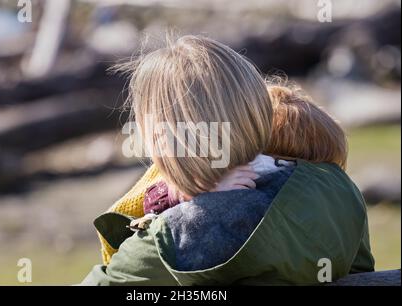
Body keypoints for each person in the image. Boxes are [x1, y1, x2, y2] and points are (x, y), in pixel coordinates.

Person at [81, 35, 374, 285]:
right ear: (256, 109)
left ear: (161, 140)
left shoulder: (167, 241)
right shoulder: (336, 190)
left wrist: (199, 209)